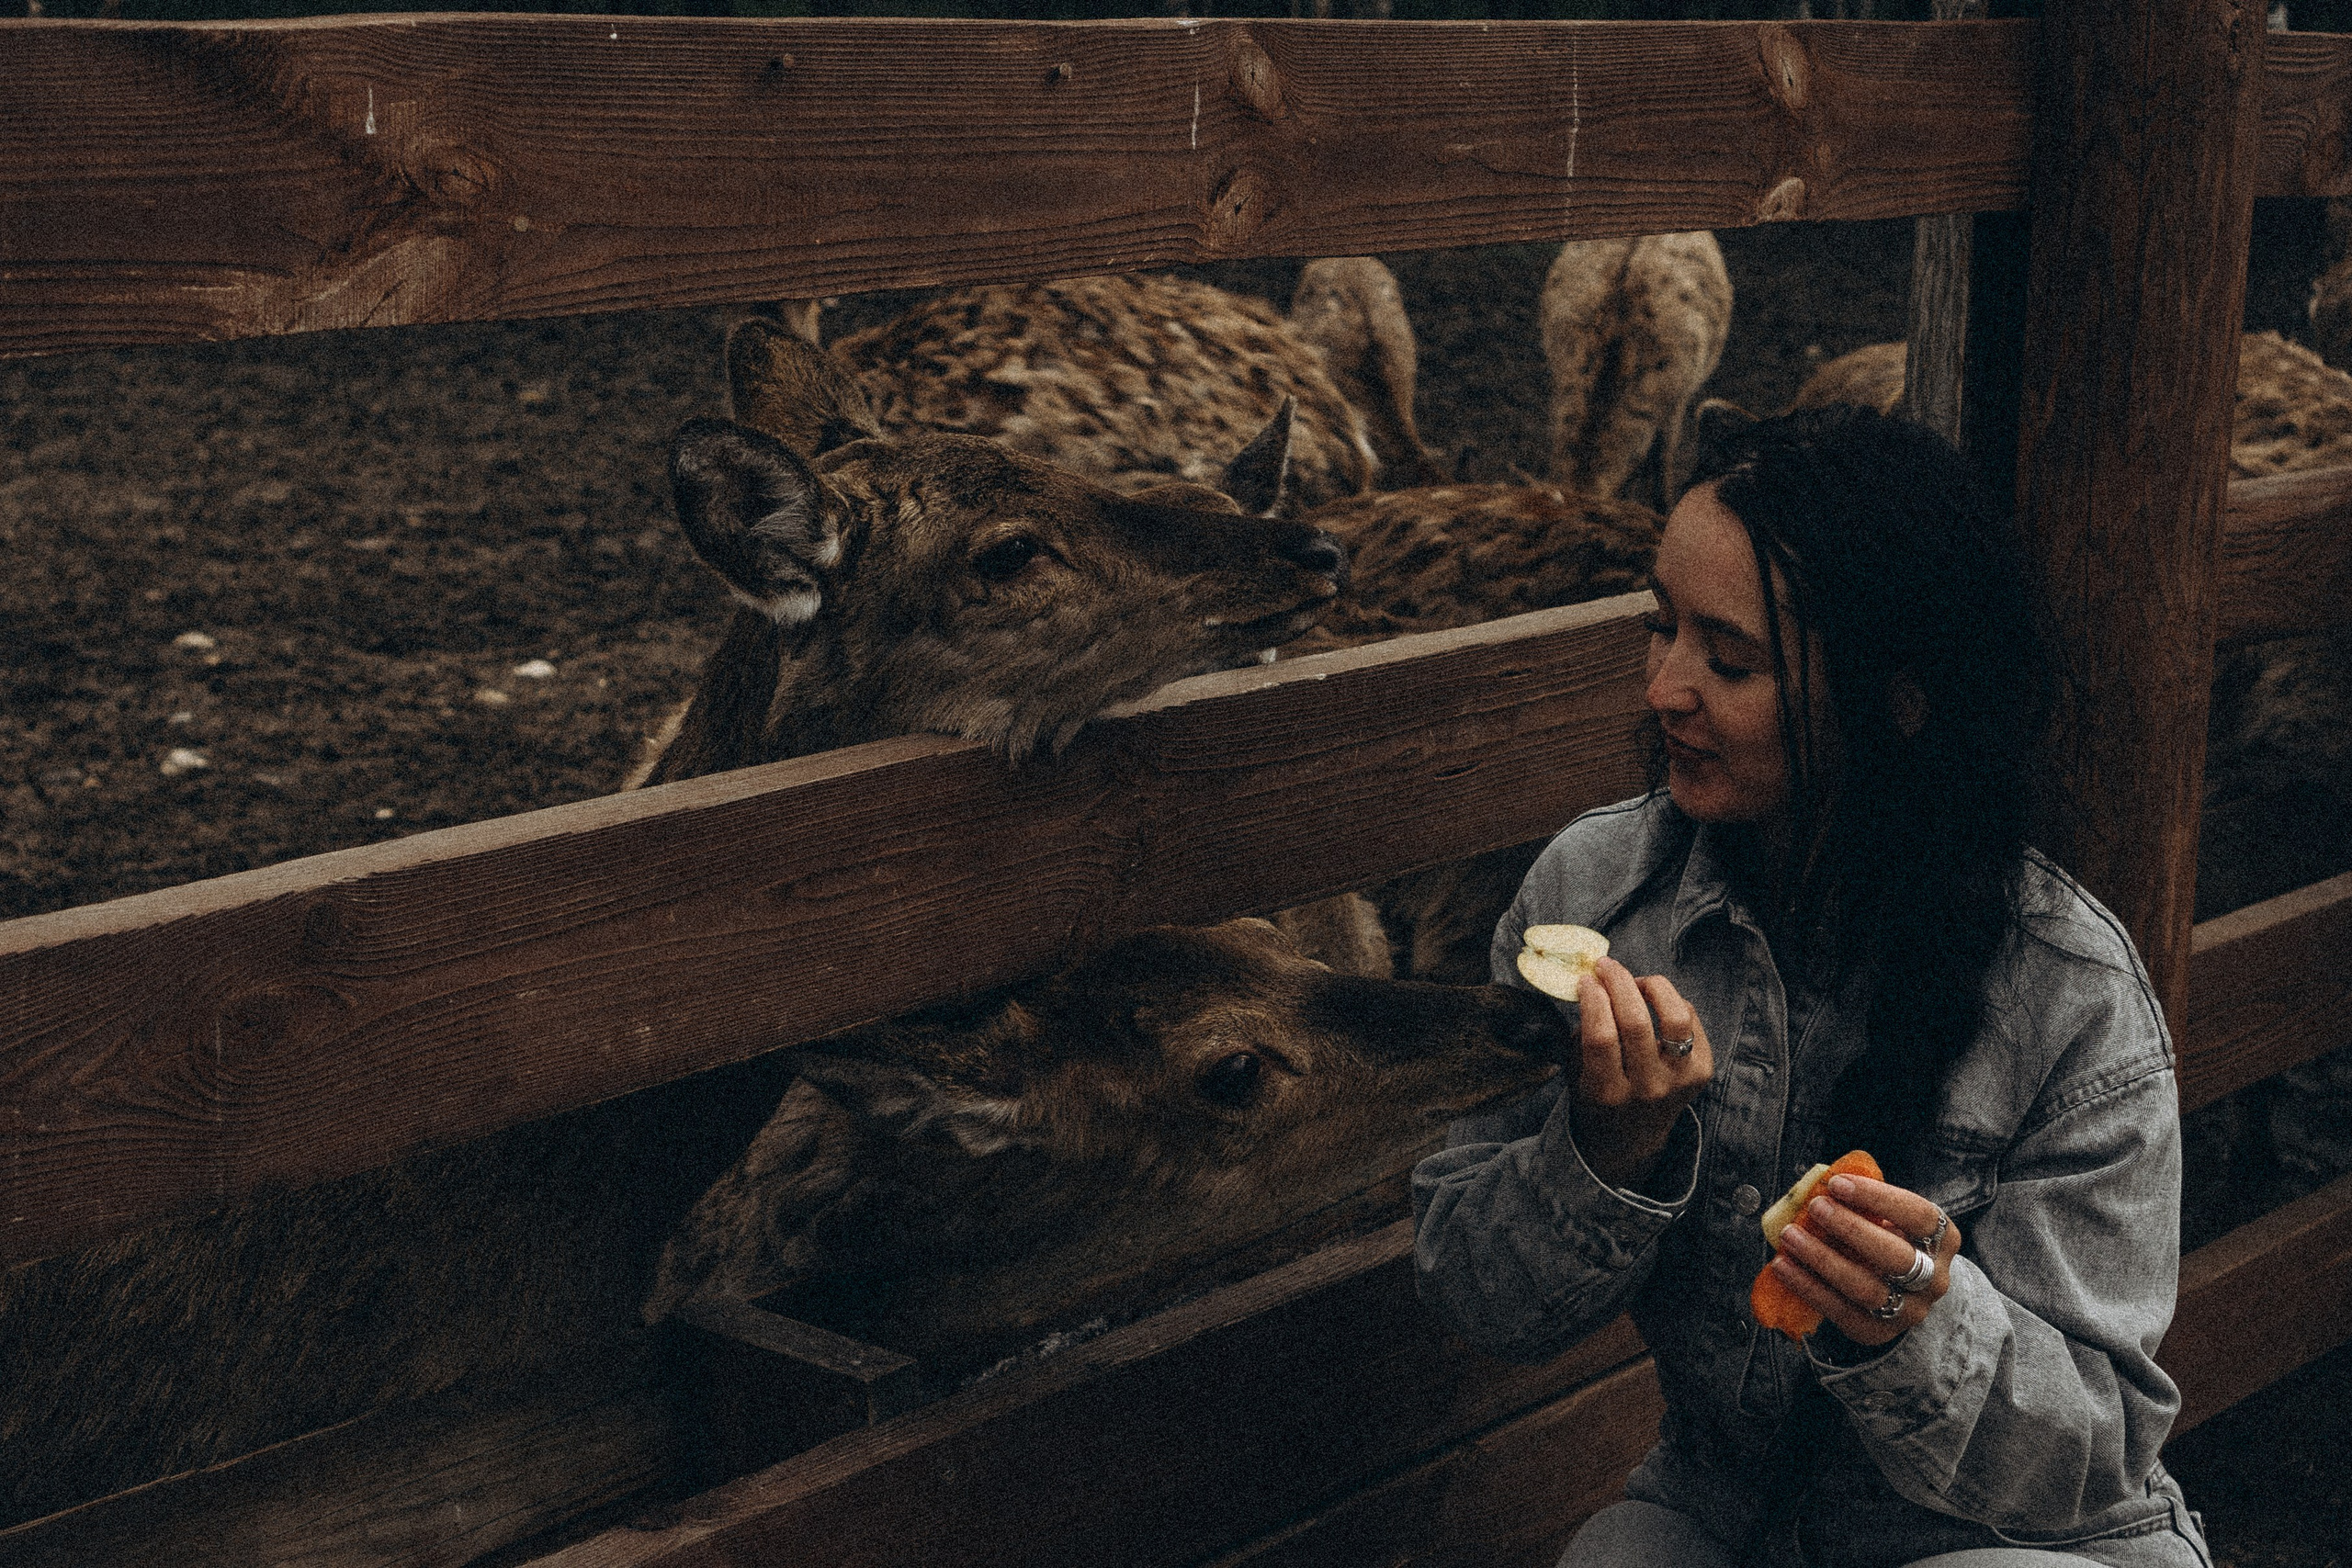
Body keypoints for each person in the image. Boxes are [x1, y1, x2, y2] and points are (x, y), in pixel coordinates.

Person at [1411, 405, 2208, 1568]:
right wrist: (1600, 1153)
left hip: (2008, 1539)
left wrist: (1921, 1323)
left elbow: (2093, 1453)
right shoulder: (1591, 895)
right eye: (1660, 628)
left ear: (1899, 700)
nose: (1664, 689)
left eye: (1728, 659)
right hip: (1733, 1511)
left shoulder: (2067, 993)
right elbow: (1476, 1297)